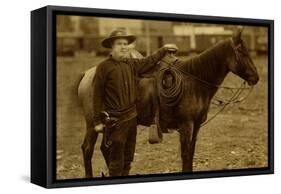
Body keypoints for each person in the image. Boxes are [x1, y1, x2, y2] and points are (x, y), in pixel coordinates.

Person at [92, 28, 177, 176]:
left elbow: (149, 60)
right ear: (112, 46)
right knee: (116, 162)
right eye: (119, 43)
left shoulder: (132, 64)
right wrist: (97, 122)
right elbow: (97, 95)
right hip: (115, 122)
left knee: (128, 160)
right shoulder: (103, 68)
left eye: (125, 43)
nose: (123, 46)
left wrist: (163, 50)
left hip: (132, 119)